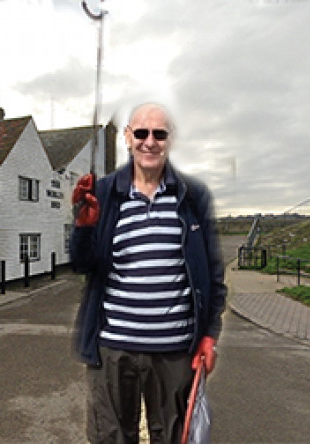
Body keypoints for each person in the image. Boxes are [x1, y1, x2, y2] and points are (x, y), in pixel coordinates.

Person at [70, 103, 227, 443]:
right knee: (111, 437)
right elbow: (82, 265)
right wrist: (83, 227)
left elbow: (213, 276)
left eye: (159, 134)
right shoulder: (105, 193)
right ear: (128, 138)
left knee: (171, 436)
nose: (149, 142)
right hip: (113, 349)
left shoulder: (193, 196)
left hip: (174, 352)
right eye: (141, 133)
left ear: (170, 141)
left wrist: (209, 334)